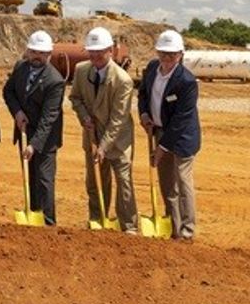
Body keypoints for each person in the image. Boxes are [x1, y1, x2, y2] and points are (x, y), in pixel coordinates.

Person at [68, 26, 138, 233]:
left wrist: (104, 147)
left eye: (101, 51)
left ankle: (129, 226)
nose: (96, 55)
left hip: (118, 140)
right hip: (91, 135)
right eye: (92, 51)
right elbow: (75, 98)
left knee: (124, 182)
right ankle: (97, 220)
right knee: (96, 182)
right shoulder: (81, 70)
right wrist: (84, 117)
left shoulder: (123, 80)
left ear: (110, 50)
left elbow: (118, 118)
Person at [137, 30, 201, 240]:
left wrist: (162, 148)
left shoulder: (187, 82)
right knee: (166, 183)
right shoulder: (152, 68)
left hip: (182, 138)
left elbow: (181, 119)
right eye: (163, 53)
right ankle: (173, 226)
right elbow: (143, 94)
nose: (166, 58)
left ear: (180, 55)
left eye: (171, 55)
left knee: (182, 182)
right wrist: (145, 114)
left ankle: (187, 230)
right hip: (159, 131)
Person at [2, 30, 65, 225]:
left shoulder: (55, 80)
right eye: (34, 51)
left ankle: (47, 222)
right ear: (28, 51)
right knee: (29, 177)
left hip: (45, 139)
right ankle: (33, 214)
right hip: (24, 131)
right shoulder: (21, 67)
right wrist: (17, 112)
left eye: (42, 53)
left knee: (44, 180)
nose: (37, 56)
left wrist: (34, 145)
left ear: (49, 55)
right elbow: (8, 91)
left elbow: (49, 117)